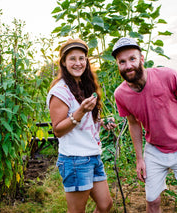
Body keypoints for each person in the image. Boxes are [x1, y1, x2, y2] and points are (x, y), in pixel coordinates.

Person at [112, 37, 177, 213]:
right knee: (152, 202)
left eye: (132, 59)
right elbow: (133, 124)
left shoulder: (167, 75)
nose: (128, 66)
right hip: (154, 150)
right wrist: (140, 159)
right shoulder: (120, 94)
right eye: (122, 62)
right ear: (118, 65)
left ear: (141, 59)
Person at [46, 38, 116, 213]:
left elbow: (83, 124)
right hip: (75, 159)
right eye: (72, 59)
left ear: (86, 60)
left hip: (92, 155)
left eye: (81, 58)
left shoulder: (84, 86)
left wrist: (101, 123)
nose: (78, 63)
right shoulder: (60, 91)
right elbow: (58, 130)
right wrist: (81, 112)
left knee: (105, 205)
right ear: (63, 62)